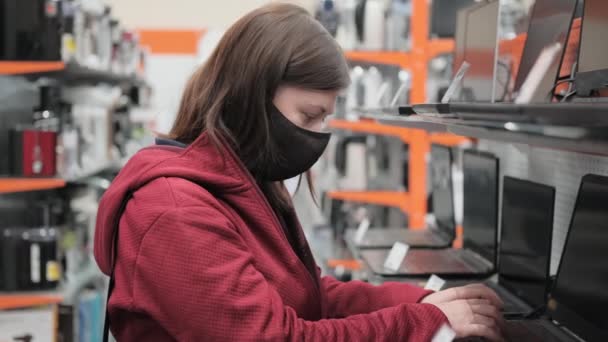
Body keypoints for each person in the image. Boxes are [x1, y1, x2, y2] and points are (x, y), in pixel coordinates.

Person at [94, 3, 504, 341]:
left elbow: (306, 297)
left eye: (324, 120)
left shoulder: (246, 182)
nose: (317, 137)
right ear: (249, 97)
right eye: (309, 116)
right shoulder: (176, 212)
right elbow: (274, 337)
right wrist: (422, 324)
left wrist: (423, 302)